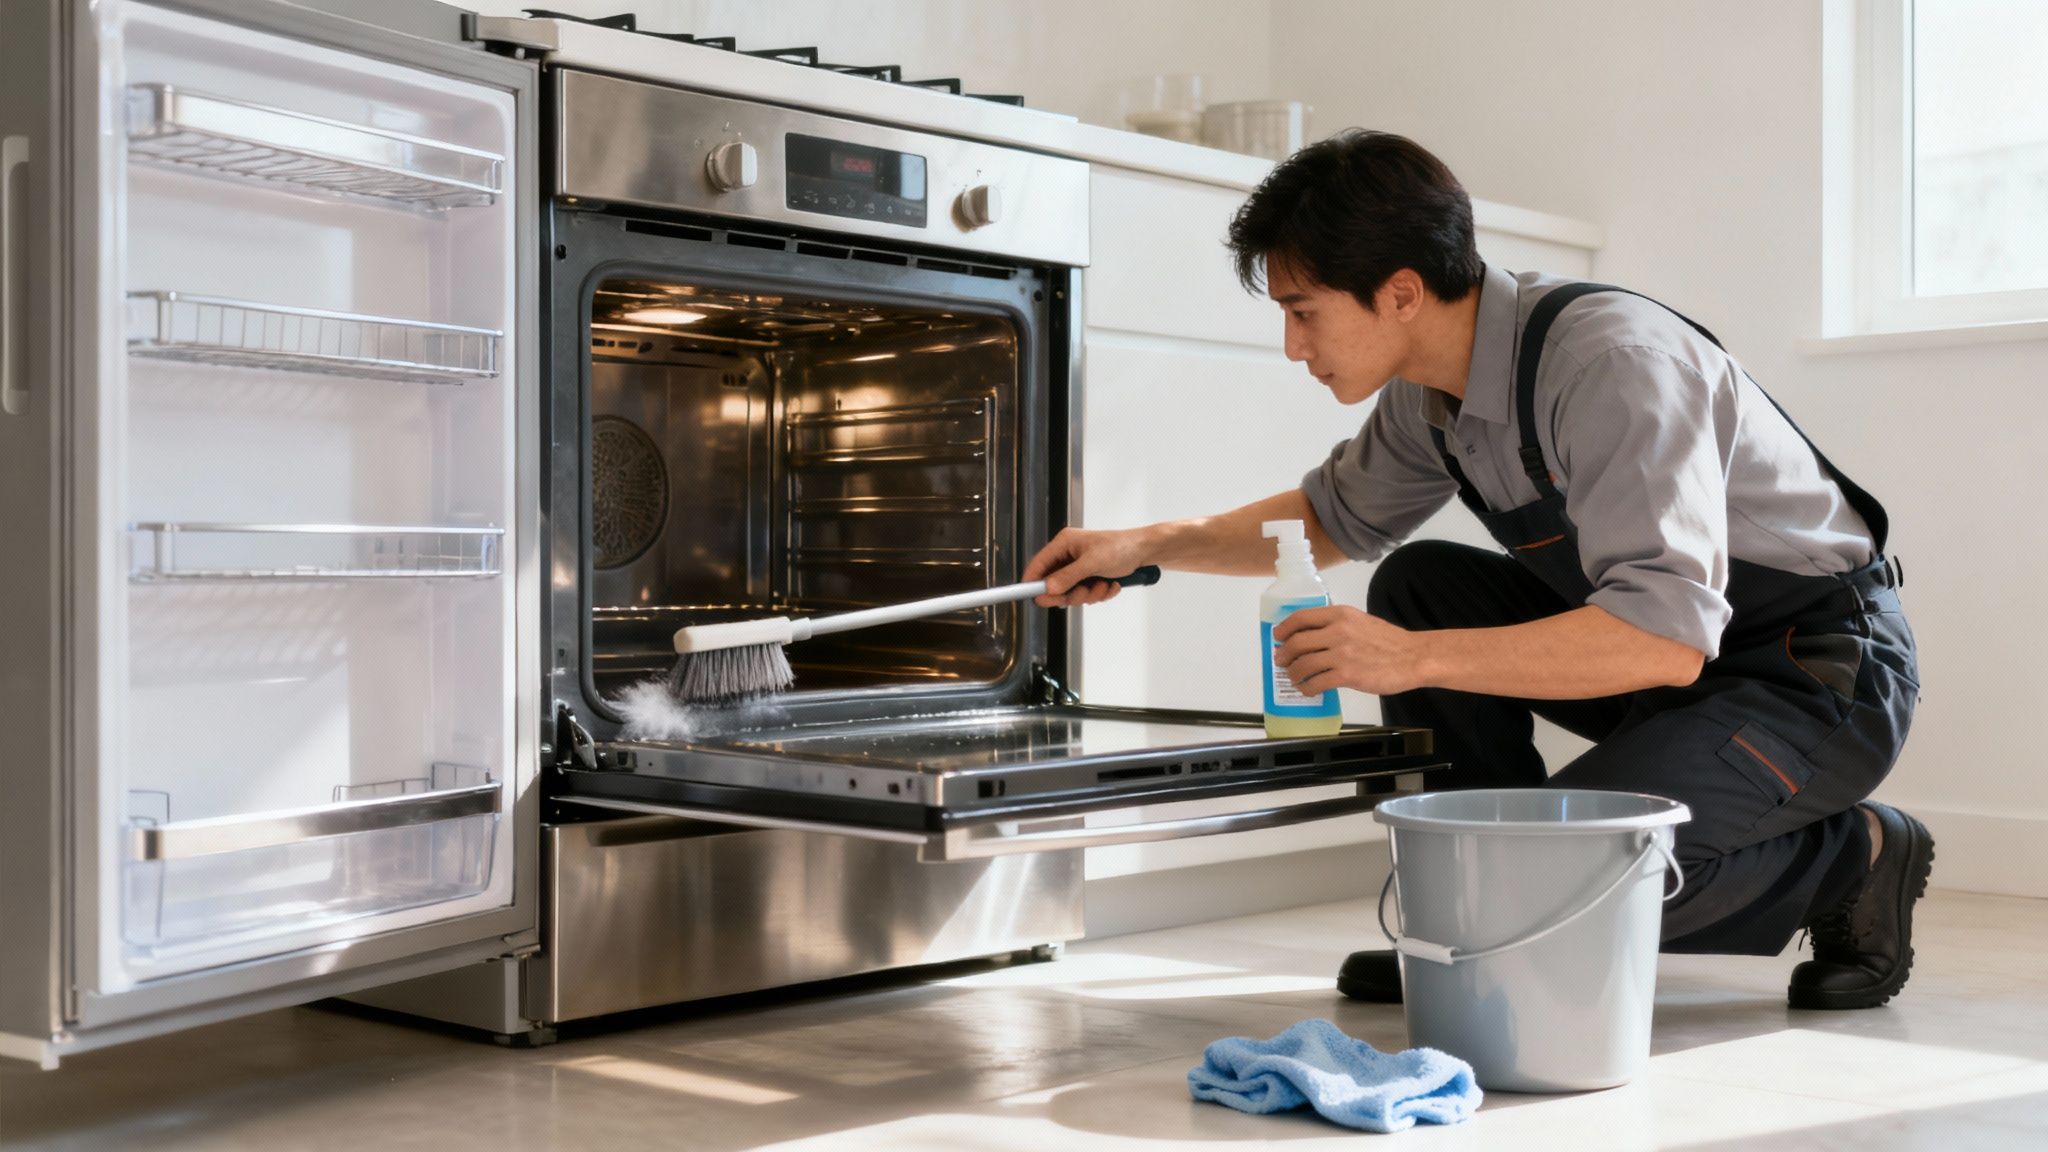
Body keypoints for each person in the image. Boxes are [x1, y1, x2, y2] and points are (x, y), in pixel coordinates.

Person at [1023, 131, 1927, 1010]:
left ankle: (1859, 860)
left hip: (1813, 673)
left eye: (1303, 312)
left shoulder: (1612, 364)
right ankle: (1475, 911)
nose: (1294, 345)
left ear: (1402, 292)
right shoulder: (1432, 396)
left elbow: (1662, 638)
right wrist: (1145, 545)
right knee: (1420, 585)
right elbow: (1327, 518)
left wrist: (1409, 661)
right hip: (1688, 660)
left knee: (1561, 877)